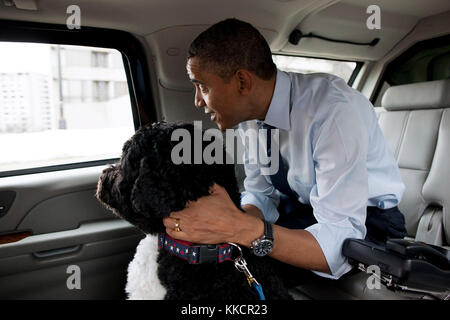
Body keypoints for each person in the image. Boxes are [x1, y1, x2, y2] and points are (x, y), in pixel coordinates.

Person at [162, 18, 406, 280]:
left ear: (242, 82)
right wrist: (224, 222)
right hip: (305, 211)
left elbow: (339, 241)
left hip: (369, 225)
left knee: (235, 276)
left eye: (203, 86)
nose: (198, 101)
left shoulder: (334, 111)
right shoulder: (251, 116)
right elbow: (262, 194)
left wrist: (239, 228)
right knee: (207, 262)